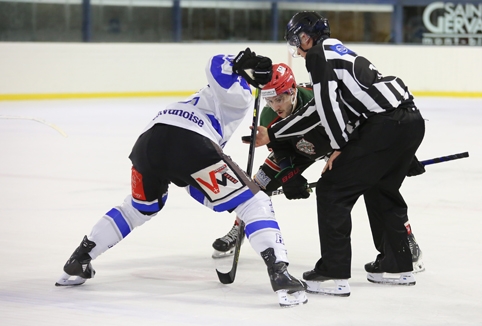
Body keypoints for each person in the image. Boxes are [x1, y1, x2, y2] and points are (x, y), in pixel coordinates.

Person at [54, 49, 308, 308]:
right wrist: (245, 63)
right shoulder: (240, 93)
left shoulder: (204, 95)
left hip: (148, 143)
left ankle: (79, 259)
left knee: (139, 208)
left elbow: (193, 169)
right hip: (191, 146)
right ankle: (280, 274)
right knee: (254, 202)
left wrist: (244, 65)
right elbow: (215, 63)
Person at [254, 11, 426, 295]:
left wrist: (339, 147)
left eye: (296, 40)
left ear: (305, 37)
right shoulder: (335, 50)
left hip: (385, 126)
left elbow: (327, 110)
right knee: (381, 187)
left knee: (332, 190)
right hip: (409, 121)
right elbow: (322, 108)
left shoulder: (318, 55)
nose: (296, 47)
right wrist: (273, 133)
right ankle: (397, 265)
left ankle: (333, 273)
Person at [211, 63, 425, 282]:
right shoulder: (268, 116)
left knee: (377, 183)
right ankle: (239, 228)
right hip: (297, 150)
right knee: (257, 186)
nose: (275, 106)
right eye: (270, 100)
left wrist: (399, 153)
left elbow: (361, 122)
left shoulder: (318, 96)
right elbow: (280, 149)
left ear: (292, 90)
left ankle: (404, 240)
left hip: (335, 145)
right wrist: (290, 176)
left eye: (280, 98)